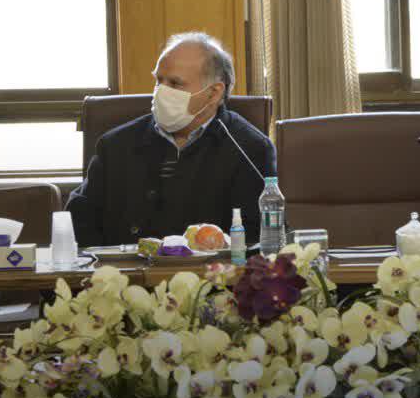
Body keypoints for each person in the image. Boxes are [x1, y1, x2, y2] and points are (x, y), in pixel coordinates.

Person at [67, 32, 276, 247]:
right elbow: (78, 221)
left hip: (210, 268)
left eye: (175, 84)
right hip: (124, 266)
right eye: (159, 81)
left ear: (214, 93)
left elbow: (262, 236)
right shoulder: (115, 145)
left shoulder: (249, 149)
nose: (162, 91)